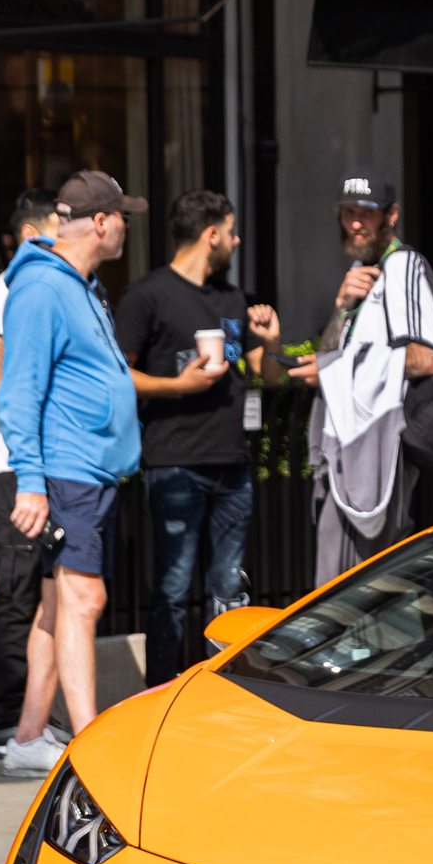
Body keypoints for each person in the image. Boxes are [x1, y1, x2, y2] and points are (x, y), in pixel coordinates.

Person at [0, 170, 144, 777]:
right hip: (69, 471)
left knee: (58, 605)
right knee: (87, 599)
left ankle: (30, 737)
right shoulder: (41, 290)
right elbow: (17, 392)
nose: (128, 227)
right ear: (102, 223)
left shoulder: (81, 285)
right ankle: (89, 747)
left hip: (90, 471)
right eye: (123, 217)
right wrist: (31, 479)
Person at [114, 189, 285, 688]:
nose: (236, 240)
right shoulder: (145, 297)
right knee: (170, 587)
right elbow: (119, 376)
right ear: (211, 235)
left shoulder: (230, 298)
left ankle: (227, 688)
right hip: (174, 463)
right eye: (231, 232)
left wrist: (270, 341)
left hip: (232, 464)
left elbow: (260, 374)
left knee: (229, 588)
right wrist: (177, 385)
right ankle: (162, 690)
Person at [294, 168, 433, 586]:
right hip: (347, 450)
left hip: (382, 449)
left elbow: (424, 359)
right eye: (348, 213)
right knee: (343, 585)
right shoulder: (361, 274)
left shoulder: (404, 266)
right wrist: (341, 306)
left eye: (367, 213)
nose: (356, 223)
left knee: (375, 583)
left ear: (391, 216)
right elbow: (329, 356)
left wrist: (337, 370)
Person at [0, 188, 64, 758]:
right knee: (13, 593)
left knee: (37, 594)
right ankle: (6, 723)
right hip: (7, 467)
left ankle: (28, 721)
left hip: (30, 465)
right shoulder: (4, 293)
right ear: (32, 234)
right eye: (59, 227)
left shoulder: (39, 290)